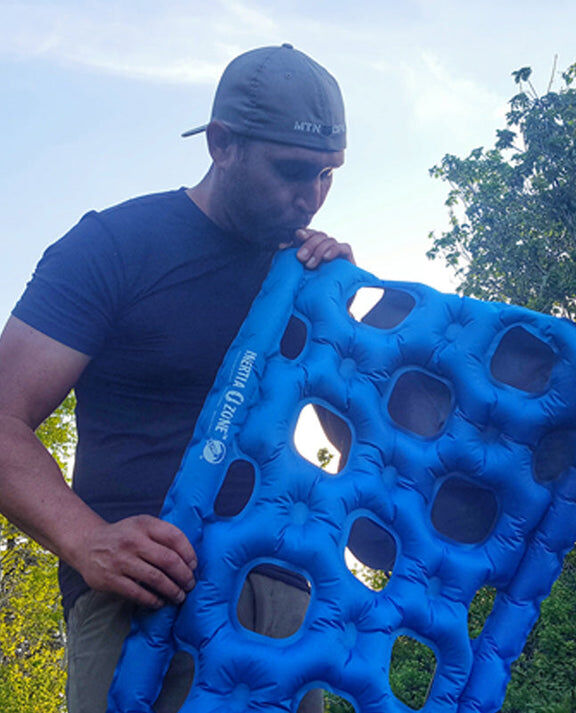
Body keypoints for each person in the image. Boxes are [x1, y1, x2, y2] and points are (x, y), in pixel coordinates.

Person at [0, 44, 353, 713]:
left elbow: (354, 441)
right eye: (290, 170)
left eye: (326, 174)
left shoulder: (304, 276)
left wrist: (338, 323)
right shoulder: (113, 246)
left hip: (284, 596)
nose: (310, 196)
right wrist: (85, 539)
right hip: (145, 600)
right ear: (222, 144)